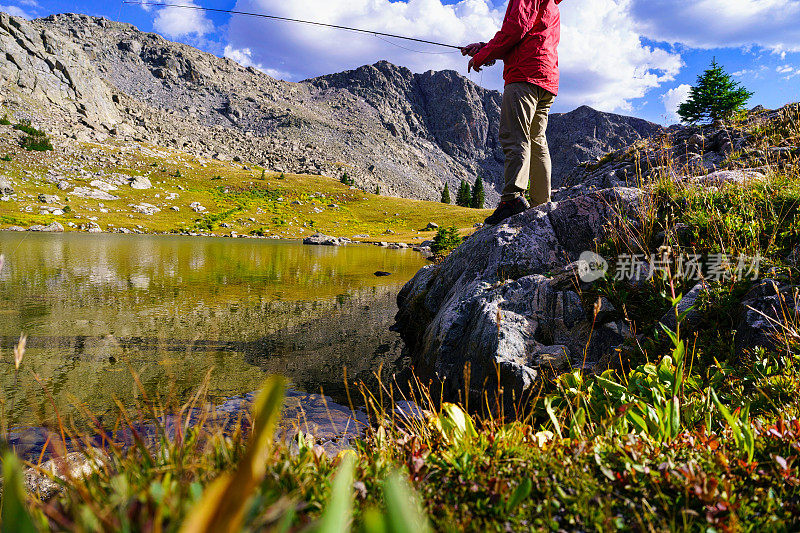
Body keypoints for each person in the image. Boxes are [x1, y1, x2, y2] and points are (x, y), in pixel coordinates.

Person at [463, 0, 564, 225]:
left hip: (523, 75)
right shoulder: (552, 5)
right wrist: (485, 46)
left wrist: (483, 55)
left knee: (515, 136)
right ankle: (541, 204)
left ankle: (512, 200)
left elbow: (516, 28)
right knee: (537, 139)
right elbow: (527, 35)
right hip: (546, 78)